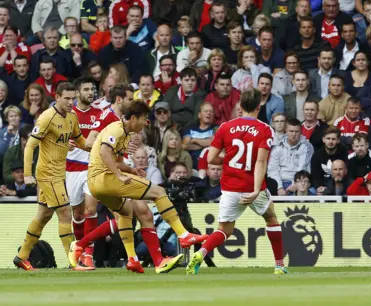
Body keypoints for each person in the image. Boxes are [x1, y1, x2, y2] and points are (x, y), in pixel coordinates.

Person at [70, 100, 207, 274]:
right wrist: (119, 175)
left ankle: (132, 259)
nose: (145, 123)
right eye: (144, 119)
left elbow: (118, 162)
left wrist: (132, 170)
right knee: (159, 192)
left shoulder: (125, 134)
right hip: (104, 178)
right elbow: (105, 152)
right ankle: (183, 235)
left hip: (97, 183)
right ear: (133, 118)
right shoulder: (116, 129)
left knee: (126, 213)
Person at [187, 88, 287, 275]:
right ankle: (279, 265)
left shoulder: (226, 127)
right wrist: (257, 189)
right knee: (271, 218)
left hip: (231, 187)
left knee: (224, 230)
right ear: (259, 107)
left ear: (240, 106)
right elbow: (261, 161)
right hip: (251, 186)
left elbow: (210, 159)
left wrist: (229, 154)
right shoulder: (265, 129)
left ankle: (201, 252)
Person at [13, 82, 89, 271]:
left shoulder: (72, 117)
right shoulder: (46, 117)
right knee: (65, 214)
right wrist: (28, 174)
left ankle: (21, 256)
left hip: (59, 173)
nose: (71, 102)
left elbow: (81, 141)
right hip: (48, 174)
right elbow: (30, 145)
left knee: (43, 216)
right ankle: (73, 262)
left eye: (74, 98)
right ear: (57, 97)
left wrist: (102, 148)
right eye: (67, 98)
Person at [64, 78, 103, 270]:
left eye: (92, 89)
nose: (90, 92)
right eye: (86, 89)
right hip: (71, 169)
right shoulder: (69, 115)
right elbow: (54, 140)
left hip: (92, 168)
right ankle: (78, 251)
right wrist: (64, 144)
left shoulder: (100, 115)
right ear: (77, 93)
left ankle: (88, 254)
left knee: (90, 210)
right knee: (77, 213)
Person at [268, 118, 314, 196]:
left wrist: (294, 185)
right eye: (291, 131)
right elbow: (272, 169)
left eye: (296, 131)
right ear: (286, 131)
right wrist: (279, 187)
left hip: (299, 182)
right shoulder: (277, 145)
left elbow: (302, 168)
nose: (293, 134)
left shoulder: (307, 146)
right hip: (279, 181)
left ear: (301, 132)